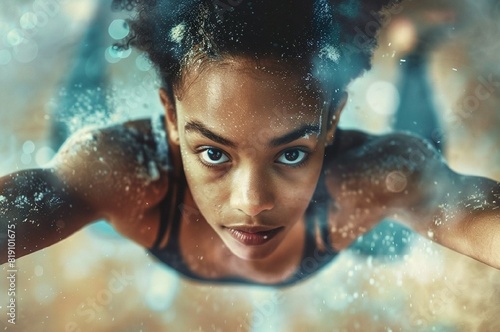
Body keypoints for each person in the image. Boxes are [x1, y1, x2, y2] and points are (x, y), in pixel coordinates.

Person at [0, 0, 498, 287]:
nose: (253, 203)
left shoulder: (366, 179)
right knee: (91, 192)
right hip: (132, 197)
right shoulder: (128, 175)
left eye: (291, 152)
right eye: (214, 153)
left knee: (397, 228)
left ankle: (413, 50)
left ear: (331, 122)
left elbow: (470, 214)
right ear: (171, 118)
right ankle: (95, 17)